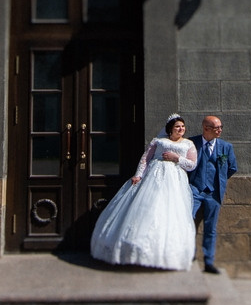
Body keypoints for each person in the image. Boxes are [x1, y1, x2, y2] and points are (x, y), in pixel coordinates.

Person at [90, 114, 199, 270]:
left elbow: (192, 165)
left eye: (182, 126)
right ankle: (135, 250)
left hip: (175, 180)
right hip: (154, 177)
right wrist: (138, 175)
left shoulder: (188, 144)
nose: (181, 129)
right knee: (148, 208)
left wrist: (177, 158)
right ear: (170, 129)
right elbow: (145, 159)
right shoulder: (159, 141)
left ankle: (166, 254)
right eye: (177, 127)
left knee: (170, 211)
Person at [189, 114, 238, 274]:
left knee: (211, 228)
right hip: (194, 191)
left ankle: (209, 262)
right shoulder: (192, 143)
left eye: (220, 127)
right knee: (188, 224)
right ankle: (188, 257)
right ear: (206, 128)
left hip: (214, 193)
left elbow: (232, 167)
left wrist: (219, 182)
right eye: (217, 128)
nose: (220, 130)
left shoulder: (226, 147)